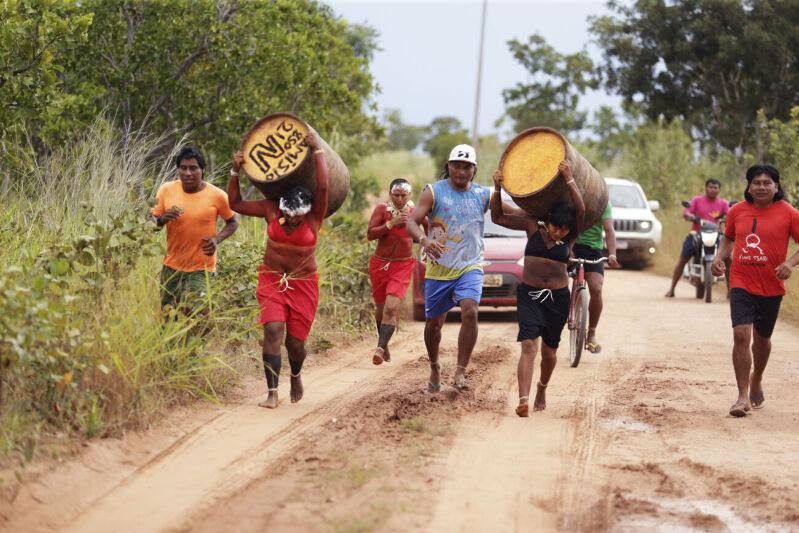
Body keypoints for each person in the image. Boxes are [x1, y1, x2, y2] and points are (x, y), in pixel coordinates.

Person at [227, 132, 328, 409]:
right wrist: (235, 170)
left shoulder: (314, 216)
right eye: (290, 215)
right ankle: (272, 392)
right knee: (272, 330)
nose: (294, 221)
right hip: (271, 279)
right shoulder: (271, 211)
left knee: (296, 345)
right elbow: (234, 204)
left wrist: (317, 151)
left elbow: (323, 188)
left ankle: (295, 373)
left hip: (304, 284)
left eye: (299, 217)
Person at [490, 161, 585, 417]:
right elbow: (497, 217)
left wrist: (569, 179)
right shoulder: (532, 227)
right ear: (548, 222)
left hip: (557, 299)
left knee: (550, 352)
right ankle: (523, 399)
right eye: (555, 227)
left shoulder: (569, 236)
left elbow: (580, 209)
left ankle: (542, 387)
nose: (559, 233)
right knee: (529, 345)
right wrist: (497, 188)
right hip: (529, 295)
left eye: (564, 230)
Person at [711, 164, 799, 418]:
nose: (761, 187)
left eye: (767, 182)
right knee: (741, 334)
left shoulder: (789, 213)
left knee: (762, 340)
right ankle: (741, 397)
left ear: (776, 186)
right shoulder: (737, 210)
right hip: (741, 280)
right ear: (748, 186)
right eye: (756, 182)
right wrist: (719, 258)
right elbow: (728, 238)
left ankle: (757, 377)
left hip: (771, 285)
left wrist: (789, 264)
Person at [406, 144, 491, 392]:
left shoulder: (483, 194)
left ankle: (460, 372)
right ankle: (434, 366)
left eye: (467, 167)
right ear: (449, 166)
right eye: (457, 166)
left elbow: (510, 210)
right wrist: (424, 240)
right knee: (433, 324)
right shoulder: (433, 192)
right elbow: (412, 222)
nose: (461, 171)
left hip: (470, 265)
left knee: (470, 311)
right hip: (440, 267)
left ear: (474, 170)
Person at [151, 146, 238, 313]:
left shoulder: (217, 195)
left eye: (193, 168)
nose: (188, 173)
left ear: (202, 170)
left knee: (198, 314)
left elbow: (233, 222)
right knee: (169, 316)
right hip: (171, 267)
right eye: (183, 168)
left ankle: (200, 339)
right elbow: (151, 224)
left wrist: (216, 239)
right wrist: (162, 219)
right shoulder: (166, 190)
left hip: (201, 267)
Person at [367, 178, 424, 365]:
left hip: (403, 265)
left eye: (403, 195)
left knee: (391, 307)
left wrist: (427, 244)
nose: (399, 198)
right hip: (380, 264)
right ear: (390, 195)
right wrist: (391, 224)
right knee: (381, 308)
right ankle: (385, 343)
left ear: (409, 195)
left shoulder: (414, 212)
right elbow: (370, 234)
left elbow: (428, 226)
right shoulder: (382, 210)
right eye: (396, 195)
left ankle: (379, 348)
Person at [665, 179, 729, 297]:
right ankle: (672, 288)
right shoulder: (697, 200)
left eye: (715, 187)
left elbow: (729, 214)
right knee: (683, 259)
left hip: (716, 235)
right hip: (697, 233)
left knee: (728, 258)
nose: (713, 189)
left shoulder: (723, 203)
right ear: (706, 188)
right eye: (710, 187)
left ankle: (730, 291)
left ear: (719, 189)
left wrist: (727, 218)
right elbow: (686, 213)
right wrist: (693, 218)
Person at [572, 201, 620, 353]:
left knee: (596, 289)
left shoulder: (603, 203)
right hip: (571, 246)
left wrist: (612, 254)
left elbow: (609, 230)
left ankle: (591, 332)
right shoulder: (571, 198)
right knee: (556, 284)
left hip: (593, 250)